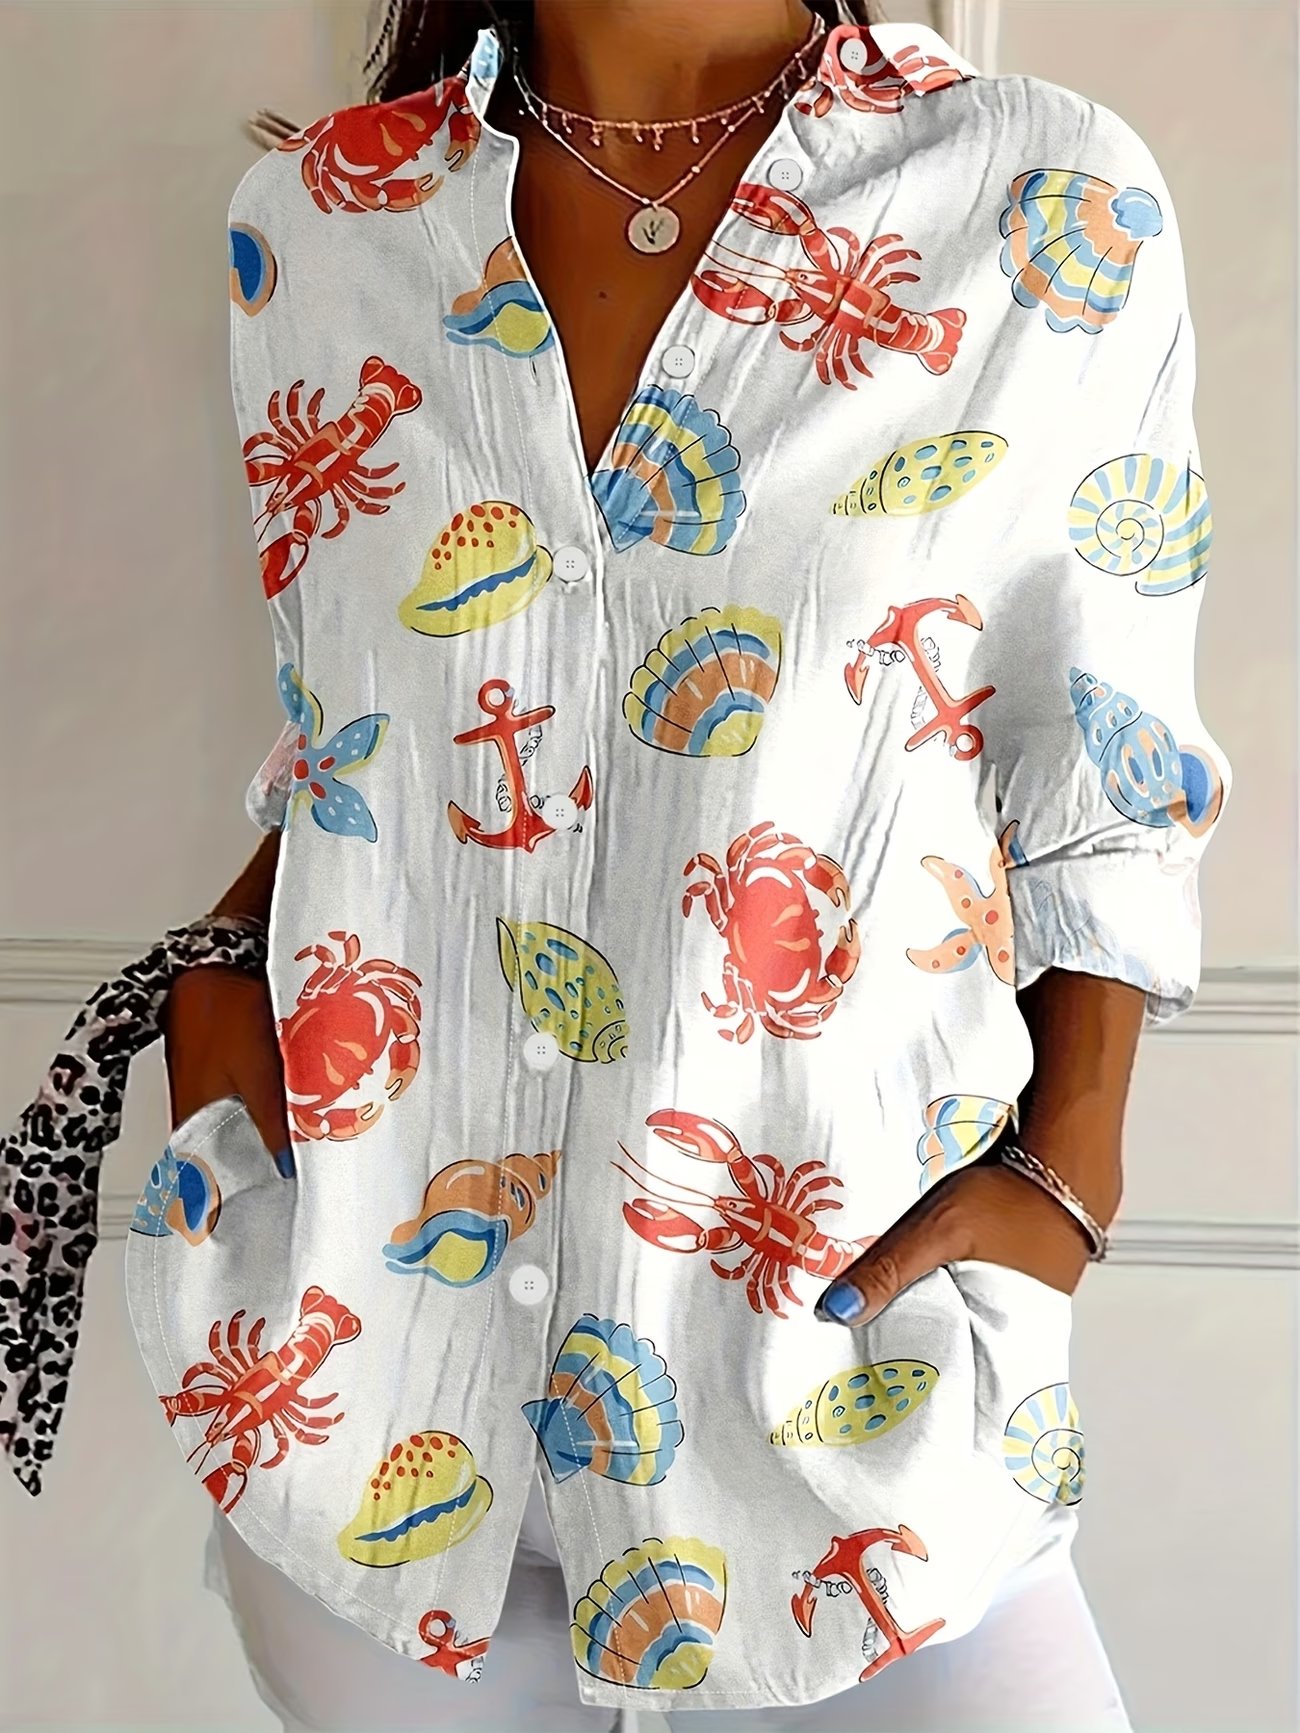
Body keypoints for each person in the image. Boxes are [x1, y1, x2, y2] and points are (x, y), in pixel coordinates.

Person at [143, 0, 1228, 1727]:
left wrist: (1070, 1170)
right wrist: (213, 987)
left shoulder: (1042, 200)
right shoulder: (322, 224)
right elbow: (350, 729)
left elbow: (1108, 758)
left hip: (839, 1393)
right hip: (366, 1380)